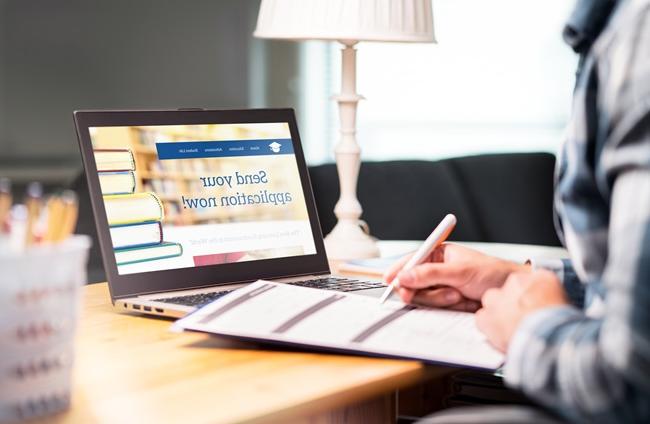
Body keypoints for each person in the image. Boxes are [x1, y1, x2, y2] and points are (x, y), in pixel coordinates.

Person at [385, 0, 650, 422]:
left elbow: (631, 386)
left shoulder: (637, 38)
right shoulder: (608, 32)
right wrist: (517, 280)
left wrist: (531, 327)